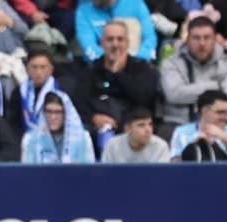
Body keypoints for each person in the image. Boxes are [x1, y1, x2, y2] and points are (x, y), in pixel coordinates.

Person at [72, 20, 160, 149]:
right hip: (97, 130)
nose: (115, 44)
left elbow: (144, 101)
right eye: (110, 40)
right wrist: (94, 117)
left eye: (120, 39)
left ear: (127, 43)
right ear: (102, 44)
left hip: (131, 128)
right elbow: (79, 104)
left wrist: (118, 74)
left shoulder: (142, 69)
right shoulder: (90, 71)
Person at [161, 16, 227, 127]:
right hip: (178, 123)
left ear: (215, 39)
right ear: (187, 39)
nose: (202, 43)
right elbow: (174, 94)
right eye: (196, 38)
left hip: (218, 123)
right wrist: (214, 86)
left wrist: (188, 93)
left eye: (207, 37)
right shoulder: (171, 63)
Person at [169, 88, 227, 159]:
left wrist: (226, 139)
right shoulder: (181, 132)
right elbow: (174, 164)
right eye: (220, 112)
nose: (226, 117)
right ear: (205, 111)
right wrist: (194, 145)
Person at [22, 90, 97, 162]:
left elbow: (89, 172)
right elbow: (26, 173)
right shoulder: (31, 140)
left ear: (67, 114)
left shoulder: (83, 139)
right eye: (49, 111)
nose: (53, 117)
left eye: (58, 112)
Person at [74, 0, 155, 62]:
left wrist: (132, 58)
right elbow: (89, 47)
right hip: (101, 69)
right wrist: (113, 60)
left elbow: (150, 38)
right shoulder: (84, 11)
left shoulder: (136, 3)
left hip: (136, 64)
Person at [12, 47, 59, 133]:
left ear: (51, 69)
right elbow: (12, 123)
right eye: (34, 67)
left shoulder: (60, 91)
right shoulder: (19, 92)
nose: (38, 72)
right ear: (27, 69)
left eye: (43, 67)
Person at [101, 107, 171, 160]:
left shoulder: (161, 146)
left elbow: (163, 177)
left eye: (150, 124)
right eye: (141, 125)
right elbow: (105, 174)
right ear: (127, 128)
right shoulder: (113, 145)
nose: (148, 130)